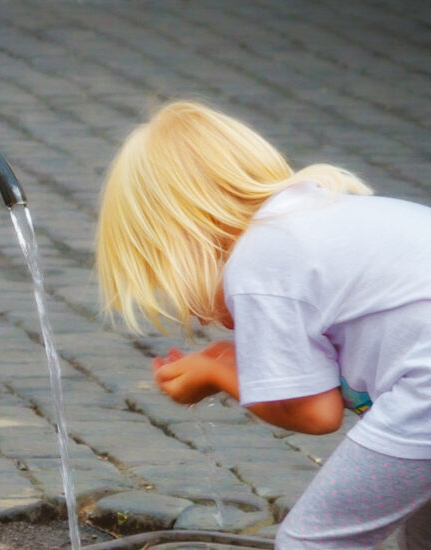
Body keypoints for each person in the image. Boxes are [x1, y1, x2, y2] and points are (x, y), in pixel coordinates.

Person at [94, 100, 431, 548]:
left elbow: (318, 413)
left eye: (166, 278)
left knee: (311, 540)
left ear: (187, 238)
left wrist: (222, 373)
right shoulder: (317, 218)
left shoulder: (259, 262)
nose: (195, 315)